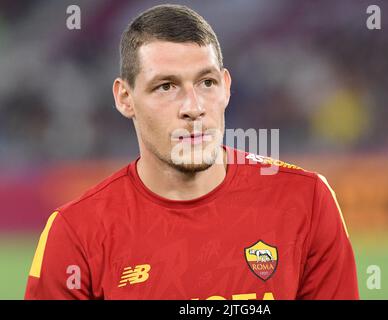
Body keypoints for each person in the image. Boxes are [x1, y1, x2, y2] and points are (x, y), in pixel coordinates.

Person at [24, 4, 359, 300]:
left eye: (206, 83)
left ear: (226, 87)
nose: (193, 107)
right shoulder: (75, 232)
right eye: (166, 86)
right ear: (125, 98)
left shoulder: (307, 202)